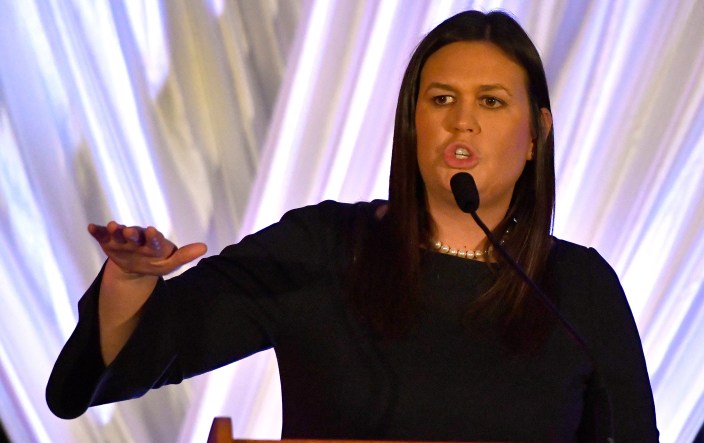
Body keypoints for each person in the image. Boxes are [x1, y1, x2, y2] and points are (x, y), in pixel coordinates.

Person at [47, 10, 659, 441]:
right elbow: (136, 357)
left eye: (491, 101)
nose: (462, 122)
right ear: (412, 123)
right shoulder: (324, 249)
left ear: (536, 135)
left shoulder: (578, 289)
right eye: (441, 99)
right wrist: (131, 280)